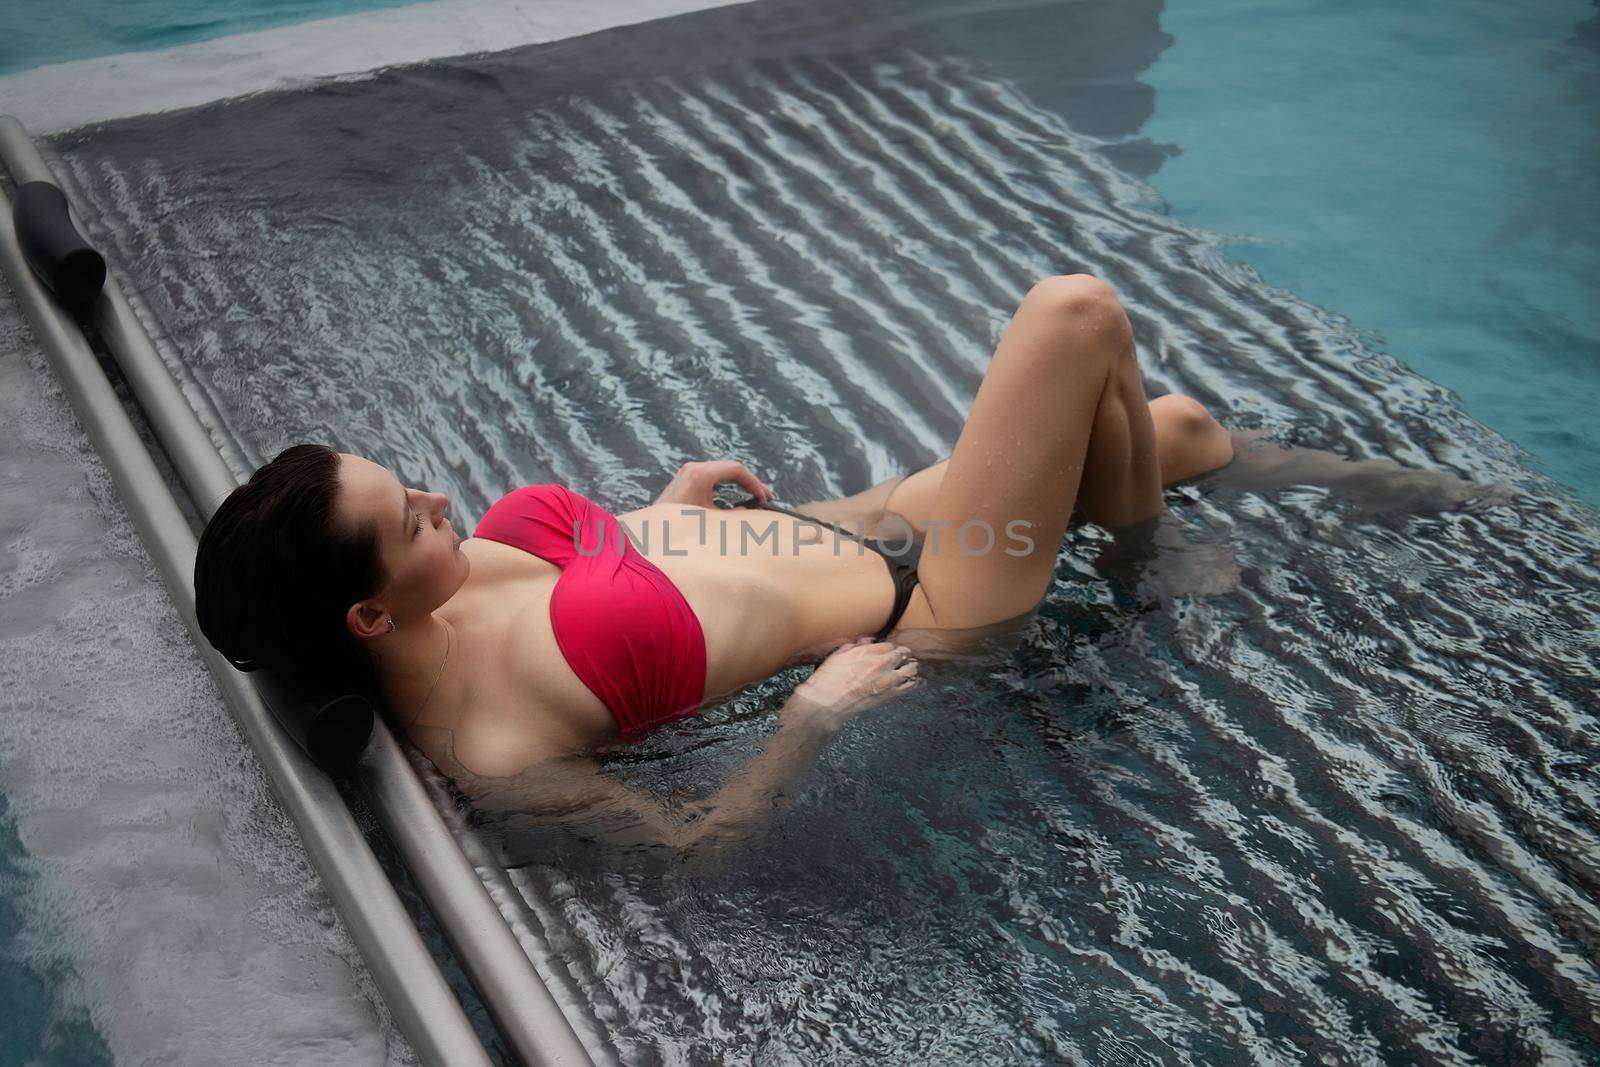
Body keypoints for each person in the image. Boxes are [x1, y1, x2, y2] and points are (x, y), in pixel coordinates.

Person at [193, 275, 1496, 853]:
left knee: (1182, 431)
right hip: (938, 596)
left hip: (859, 519)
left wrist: (652, 514)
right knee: (1076, 318)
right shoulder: (494, 747)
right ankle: (1154, 562)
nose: (436, 497)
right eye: (408, 515)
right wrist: (807, 726)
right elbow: (694, 845)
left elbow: (625, 582)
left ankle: (1419, 497)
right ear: (365, 615)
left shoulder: (452, 575)